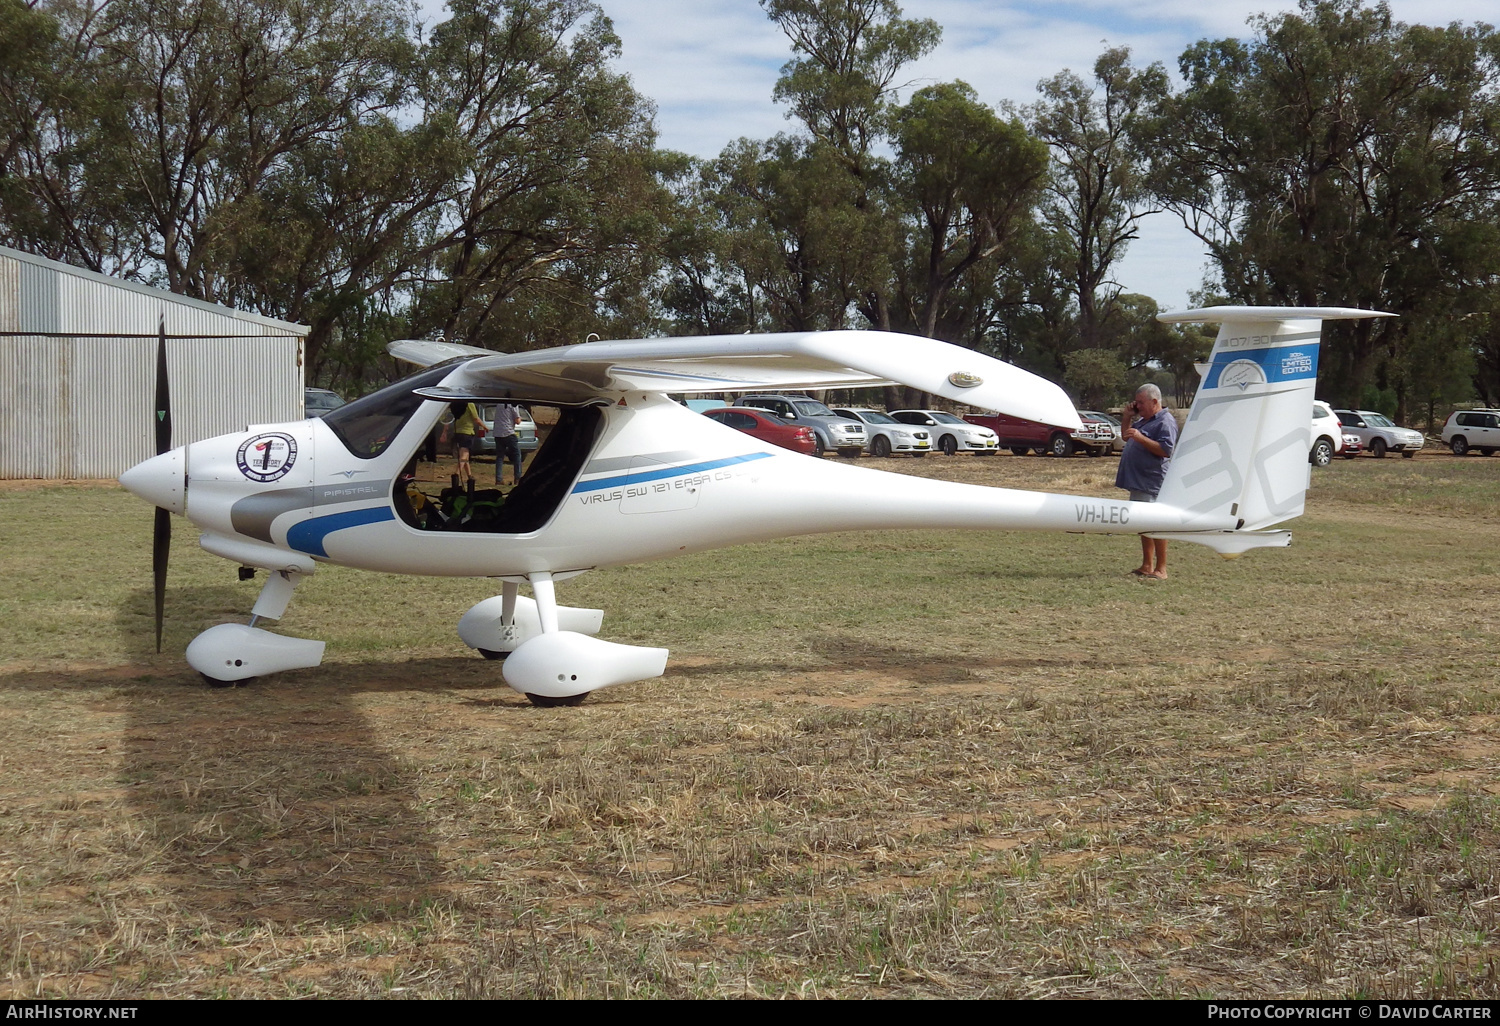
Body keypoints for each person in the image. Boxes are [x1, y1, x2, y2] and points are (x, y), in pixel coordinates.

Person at [1115, 383, 1177, 579]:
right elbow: (1126, 436)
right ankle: (1147, 565)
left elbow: (1166, 450)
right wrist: (1127, 416)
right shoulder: (1144, 420)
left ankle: (1161, 568)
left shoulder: (1165, 421)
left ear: (1154, 402)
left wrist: (1141, 438)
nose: (1137, 406)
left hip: (1152, 481)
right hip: (1138, 481)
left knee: (1156, 524)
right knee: (1143, 524)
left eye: (1141, 403)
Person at [450, 401, 483, 487]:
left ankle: (469, 476)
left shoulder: (456, 405)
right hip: (467, 432)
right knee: (464, 455)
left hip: (458, 432)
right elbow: (476, 419)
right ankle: (456, 474)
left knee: (465, 457)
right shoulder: (470, 404)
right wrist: (485, 427)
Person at [492, 402, 524, 486]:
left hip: (498, 433)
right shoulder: (513, 404)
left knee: (500, 457)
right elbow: (517, 421)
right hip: (508, 432)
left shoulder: (499, 404)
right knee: (517, 455)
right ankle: (517, 477)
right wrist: (520, 418)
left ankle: (499, 479)